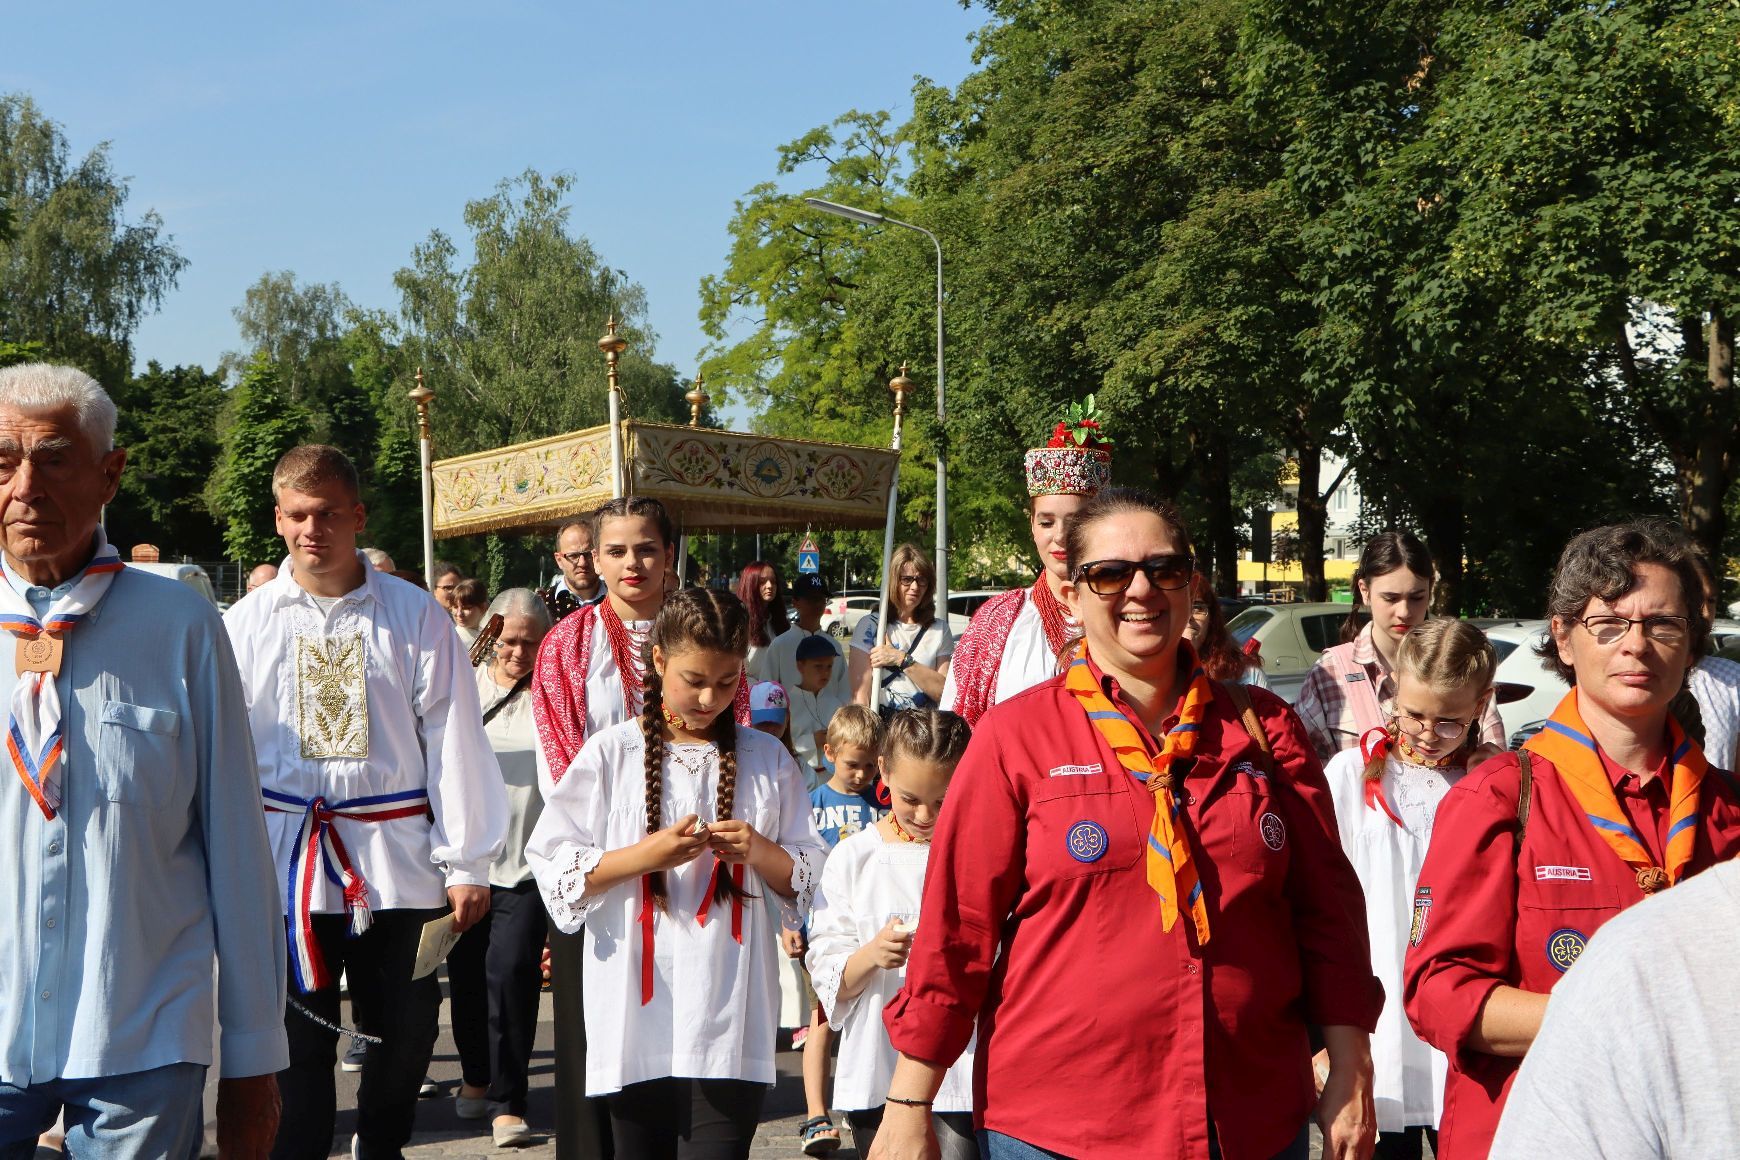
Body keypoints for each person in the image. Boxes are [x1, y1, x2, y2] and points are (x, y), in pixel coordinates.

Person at [871, 486, 1382, 1160]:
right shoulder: (1014, 738)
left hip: (1247, 1116)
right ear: (1072, 594)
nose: (1141, 589)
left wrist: (1351, 1063)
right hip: (1064, 1126)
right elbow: (958, 928)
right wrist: (909, 1104)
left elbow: (1327, 912)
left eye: (1164, 568)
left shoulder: (1264, 729)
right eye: (1110, 573)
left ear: (1191, 583)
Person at [0, 364, 287, 1158]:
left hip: (142, 1033)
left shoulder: (182, 627)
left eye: (53, 459)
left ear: (110, 473)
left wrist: (254, 1062)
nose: (25, 487)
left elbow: (237, 849)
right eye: (3, 462)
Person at [1402, 520, 1740, 1159]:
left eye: (1662, 624)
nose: (1635, 645)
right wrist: (1620, 1020)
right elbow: (1438, 995)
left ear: (1692, 645)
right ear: (1562, 636)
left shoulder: (1728, 812)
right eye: (1607, 624)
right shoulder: (1499, 798)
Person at [225, 444, 509, 1160]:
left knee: (406, 1030)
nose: (310, 529)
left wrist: (467, 859)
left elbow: (452, 733)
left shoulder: (414, 616)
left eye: (325, 513)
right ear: (278, 519)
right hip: (287, 866)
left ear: (356, 515)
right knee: (297, 1044)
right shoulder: (246, 623)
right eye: (296, 515)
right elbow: (222, 751)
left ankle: (380, 1145)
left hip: (399, 862)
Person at [525, 588, 827, 1159]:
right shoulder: (611, 754)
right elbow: (555, 863)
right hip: (635, 1011)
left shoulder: (767, 759)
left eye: (728, 682)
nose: (710, 698)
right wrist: (646, 856)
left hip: (727, 1008)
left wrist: (760, 851)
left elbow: (810, 875)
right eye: (695, 680)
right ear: (659, 660)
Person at [530, 496, 747, 1160]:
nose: (633, 564)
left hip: (698, 862)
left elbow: (731, 729)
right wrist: (626, 851)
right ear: (593, 559)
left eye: (647, 549)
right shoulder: (567, 643)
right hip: (603, 868)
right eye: (617, 551)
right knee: (595, 1044)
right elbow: (562, 763)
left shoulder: (705, 629)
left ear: (669, 554)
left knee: (695, 1031)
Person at [1322, 620, 1501, 1159]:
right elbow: (1324, 905)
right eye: (1413, 713)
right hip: (1380, 1029)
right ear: (1393, 689)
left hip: (1464, 1024)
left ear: (1480, 705)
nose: (1426, 732)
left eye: (1448, 721)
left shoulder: (1495, 784)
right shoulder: (1351, 775)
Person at [808, 710, 977, 1160]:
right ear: (883, 770)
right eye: (910, 798)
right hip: (877, 1062)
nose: (925, 815)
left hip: (962, 1066)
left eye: (942, 800)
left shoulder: (980, 850)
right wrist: (872, 953)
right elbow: (828, 975)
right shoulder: (854, 858)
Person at [1488, 859, 1740, 1158]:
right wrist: (1616, 1012)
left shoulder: (1718, 828)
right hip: (1536, 1120)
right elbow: (1448, 996)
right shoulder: (1623, 970)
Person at [445, 588, 556, 1149]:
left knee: (512, 975)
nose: (518, 652)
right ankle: (476, 1076)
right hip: (469, 863)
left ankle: (509, 1101)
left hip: (528, 866)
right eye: (509, 640)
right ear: (490, 634)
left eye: (530, 642)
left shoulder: (555, 695)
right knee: (467, 978)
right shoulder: (462, 688)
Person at [941, 408, 1110, 725]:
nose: (1060, 536)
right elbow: (956, 729)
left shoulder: (1129, 611)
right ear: (1032, 525)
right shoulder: (998, 622)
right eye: (1046, 522)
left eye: (1075, 522)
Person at [1296, 532, 1504, 764]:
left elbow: (1493, 754)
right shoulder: (1330, 674)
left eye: (1416, 598)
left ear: (1430, 591)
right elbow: (1304, 771)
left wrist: (1493, 771)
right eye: (1391, 598)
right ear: (1364, 591)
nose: (1404, 612)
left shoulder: (1461, 664)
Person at [790, 705, 889, 1156]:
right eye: (853, 764)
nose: (862, 774)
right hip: (823, 932)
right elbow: (797, 870)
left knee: (872, 1020)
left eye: (871, 765)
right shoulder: (812, 805)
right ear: (829, 753)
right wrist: (791, 923)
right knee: (823, 1021)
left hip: (872, 932)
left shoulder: (883, 806)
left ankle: (868, 1102)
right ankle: (816, 1114)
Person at [850, 545, 953, 717]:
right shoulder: (871, 626)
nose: (915, 587)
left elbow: (944, 693)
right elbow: (860, 698)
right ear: (893, 581)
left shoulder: (939, 630)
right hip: (883, 728)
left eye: (922, 580)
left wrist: (901, 659)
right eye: (907, 579)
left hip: (926, 729)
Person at [1686, 551, 1740, 769]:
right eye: (1696, 599)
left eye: (1711, 600)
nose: (1706, 613)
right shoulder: (1634, 676)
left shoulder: (1732, 679)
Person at [767, 575, 851, 703]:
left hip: (831, 716)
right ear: (795, 603)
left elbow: (844, 692)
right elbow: (767, 693)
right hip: (791, 716)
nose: (817, 604)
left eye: (821, 599)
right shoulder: (779, 645)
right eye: (811, 599)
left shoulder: (835, 646)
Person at [1183, 571, 1268, 688]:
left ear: (1212, 618)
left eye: (1197, 608)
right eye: (1180, 607)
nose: (1188, 617)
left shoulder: (1248, 675)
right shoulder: (1156, 678)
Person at [791, 635, 847, 785]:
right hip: (798, 778)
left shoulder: (835, 704)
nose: (825, 673)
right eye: (818, 666)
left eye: (829, 666)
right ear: (800, 666)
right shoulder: (789, 703)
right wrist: (812, 741)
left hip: (830, 778)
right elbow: (782, 743)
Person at [736, 560, 788, 682]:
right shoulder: (739, 623)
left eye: (773, 581)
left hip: (779, 691)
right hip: (750, 691)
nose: (770, 586)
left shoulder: (779, 623)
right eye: (762, 581)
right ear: (750, 584)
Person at [546, 518, 606, 623]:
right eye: (573, 556)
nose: (582, 563)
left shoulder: (621, 601)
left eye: (588, 554)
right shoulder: (543, 606)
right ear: (559, 560)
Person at [453, 577, 489, 647]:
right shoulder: (451, 639)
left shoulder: (492, 634)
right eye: (455, 607)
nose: (459, 613)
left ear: (483, 607)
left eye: (466, 608)